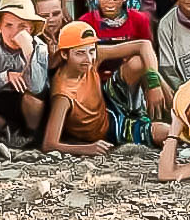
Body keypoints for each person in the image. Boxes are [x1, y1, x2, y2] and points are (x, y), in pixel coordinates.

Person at [42, 20, 172, 155]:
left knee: (138, 63)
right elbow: (49, 144)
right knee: (165, 132)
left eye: (91, 51)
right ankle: (160, 122)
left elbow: (144, 45)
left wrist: (154, 84)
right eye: (80, 53)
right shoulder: (63, 95)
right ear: (64, 54)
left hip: (108, 102)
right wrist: (89, 148)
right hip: (110, 128)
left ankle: (172, 111)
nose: (88, 59)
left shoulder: (92, 56)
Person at [76, 0, 170, 112]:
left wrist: (156, 84)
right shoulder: (86, 22)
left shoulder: (139, 19)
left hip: (131, 84)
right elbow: (87, 58)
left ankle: (139, 110)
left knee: (140, 62)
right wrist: (131, 48)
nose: (110, 0)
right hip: (95, 84)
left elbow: (148, 54)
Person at [0, 0, 50, 139]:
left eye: (22, 26)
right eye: (8, 25)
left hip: (30, 106)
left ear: (31, 29)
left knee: (33, 98)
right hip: (1, 100)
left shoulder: (40, 47)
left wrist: (28, 51)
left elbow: (36, 87)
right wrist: (6, 77)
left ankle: (29, 136)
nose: (14, 32)